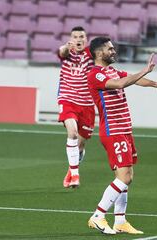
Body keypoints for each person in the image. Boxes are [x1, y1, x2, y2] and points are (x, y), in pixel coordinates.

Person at [86, 37, 157, 235]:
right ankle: (97, 216)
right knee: (124, 177)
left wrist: (154, 83)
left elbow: (132, 78)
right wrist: (146, 70)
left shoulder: (111, 70)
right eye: (110, 48)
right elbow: (120, 84)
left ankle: (120, 221)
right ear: (99, 53)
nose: (114, 51)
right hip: (113, 131)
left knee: (127, 176)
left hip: (124, 130)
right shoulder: (95, 75)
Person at [57, 26, 95, 188]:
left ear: (86, 40)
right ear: (71, 38)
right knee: (71, 133)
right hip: (67, 100)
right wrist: (66, 47)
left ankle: (71, 169)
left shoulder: (92, 54)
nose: (78, 39)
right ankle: (75, 174)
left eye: (81, 36)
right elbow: (62, 51)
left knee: (80, 144)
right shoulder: (66, 52)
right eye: (75, 36)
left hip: (87, 105)